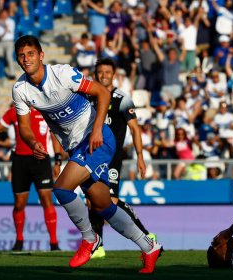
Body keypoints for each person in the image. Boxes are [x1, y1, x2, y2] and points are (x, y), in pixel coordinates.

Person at [9, 35, 162, 273]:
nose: (26, 59)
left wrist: (98, 128)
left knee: (61, 188)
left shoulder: (62, 74)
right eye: (21, 55)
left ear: (41, 55)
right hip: (76, 148)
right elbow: (26, 128)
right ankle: (149, 245)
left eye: (30, 53)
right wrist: (32, 142)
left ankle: (90, 239)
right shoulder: (20, 89)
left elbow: (102, 93)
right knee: (103, 206)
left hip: (97, 140)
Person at [0, 106, 60, 251]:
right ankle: (19, 240)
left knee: (46, 199)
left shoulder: (45, 108)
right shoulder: (15, 111)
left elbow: (54, 135)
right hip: (20, 161)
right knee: (19, 204)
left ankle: (53, 242)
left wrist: (57, 160)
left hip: (41, 160)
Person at [89, 58, 156, 259]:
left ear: (114, 74)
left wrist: (140, 157)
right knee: (92, 201)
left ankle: (145, 234)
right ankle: (98, 245)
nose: (103, 75)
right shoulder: (89, 96)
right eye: (100, 72)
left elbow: (135, 129)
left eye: (107, 72)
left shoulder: (121, 98)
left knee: (110, 200)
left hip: (112, 158)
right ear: (96, 75)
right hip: (92, 156)